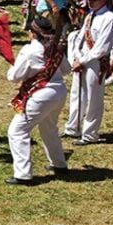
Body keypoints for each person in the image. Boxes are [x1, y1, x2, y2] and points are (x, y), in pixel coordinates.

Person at [5, 17, 68, 185]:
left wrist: (12, 64)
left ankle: (23, 174)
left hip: (41, 94)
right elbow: (67, 69)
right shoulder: (56, 48)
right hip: (59, 91)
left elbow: (14, 77)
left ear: (33, 33)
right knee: (49, 128)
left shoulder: (30, 50)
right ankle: (59, 164)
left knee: (17, 131)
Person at [63, 0, 113, 145]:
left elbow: (101, 47)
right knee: (76, 94)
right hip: (81, 60)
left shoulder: (110, 19)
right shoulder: (90, 15)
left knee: (94, 98)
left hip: (95, 63)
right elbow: (80, 37)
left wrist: (82, 60)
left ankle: (89, 134)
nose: (89, 2)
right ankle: (73, 127)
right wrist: (76, 56)